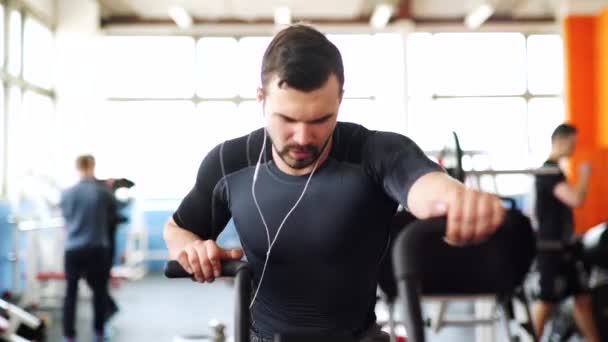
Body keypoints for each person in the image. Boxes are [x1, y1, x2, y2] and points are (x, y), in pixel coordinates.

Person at [163, 24, 506, 342]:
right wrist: (190, 250)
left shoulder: (374, 151)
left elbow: (427, 186)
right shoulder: (229, 161)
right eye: (287, 119)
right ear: (261, 99)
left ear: (340, 98)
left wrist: (458, 200)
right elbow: (178, 229)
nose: (302, 137)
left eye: (320, 119)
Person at [532, 123, 600, 341]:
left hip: (565, 247)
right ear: (560, 140)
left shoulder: (555, 172)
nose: (574, 147)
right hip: (551, 249)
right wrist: (585, 175)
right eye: (572, 142)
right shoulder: (549, 172)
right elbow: (575, 199)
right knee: (547, 301)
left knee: (582, 299)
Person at [60, 155, 115, 342]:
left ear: (77, 167)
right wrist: (111, 187)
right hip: (97, 248)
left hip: (73, 249)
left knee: (70, 293)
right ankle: (99, 332)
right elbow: (118, 210)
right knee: (99, 292)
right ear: (92, 166)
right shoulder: (103, 192)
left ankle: (68, 335)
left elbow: (67, 218)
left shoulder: (67, 193)